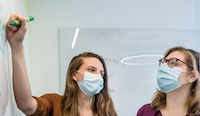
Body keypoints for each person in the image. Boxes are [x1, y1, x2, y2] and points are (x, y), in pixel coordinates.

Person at [6, 13, 117, 116]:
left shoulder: (107, 110)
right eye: (91, 70)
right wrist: (17, 46)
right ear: (74, 74)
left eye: (101, 73)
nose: (98, 76)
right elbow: (26, 106)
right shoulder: (55, 104)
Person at [137, 46, 200, 116]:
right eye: (164, 62)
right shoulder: (145, 111)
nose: (164, 67)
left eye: (173, 62)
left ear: (193, 76)